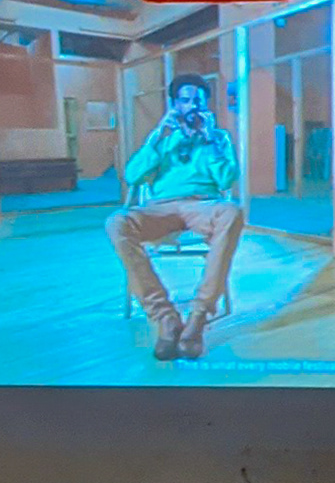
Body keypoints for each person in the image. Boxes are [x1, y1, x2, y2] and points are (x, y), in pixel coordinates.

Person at [104, 74, 246, 362]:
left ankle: (198, 317)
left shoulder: (218, 138)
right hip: (161, 206)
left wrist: (210, 140)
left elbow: (226, 179)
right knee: (116, 223)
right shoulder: (163, 137)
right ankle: (165, 318)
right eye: (185, 100)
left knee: (233, 212)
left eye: (198, 101)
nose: (191, 106)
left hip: (203, 204)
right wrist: (158, 135)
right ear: (175, 105)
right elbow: (132, 176)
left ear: (206, 106)